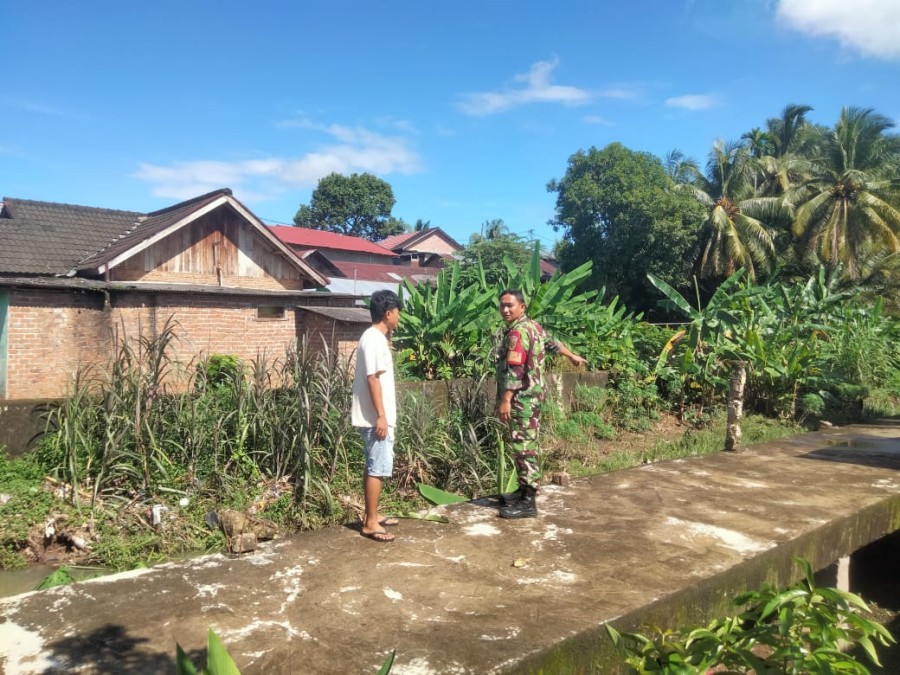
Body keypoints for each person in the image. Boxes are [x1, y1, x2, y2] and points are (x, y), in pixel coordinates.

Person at [495, 289, 586, 519]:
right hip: (533, 397)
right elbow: (552, 343)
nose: (505, 310)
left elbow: (515, 370)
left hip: (522, 399)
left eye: (510, 305)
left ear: (522, 307)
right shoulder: (533, 327)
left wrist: (506, 400)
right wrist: (571, 355)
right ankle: (523, 490)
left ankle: (529, 502)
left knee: (524, 448)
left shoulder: (517, 333)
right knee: (524, 445)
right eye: (502, 305)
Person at [352, 290, 402, 542]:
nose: (399, 318)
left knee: (374, 465)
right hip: (376, 418)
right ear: (388, 314)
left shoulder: (375, 338)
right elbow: (373, 379)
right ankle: (370, 523)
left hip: (376, 416)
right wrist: (381, 416)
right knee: (377, 467)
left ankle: (372, 514)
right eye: (397, 313)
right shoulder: (373, 339)